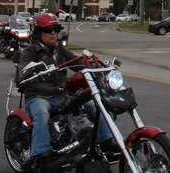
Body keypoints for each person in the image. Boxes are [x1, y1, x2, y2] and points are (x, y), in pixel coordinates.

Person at [17, 13, 118, 171]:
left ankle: (107, 141)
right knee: (42, 113)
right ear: (38, 32)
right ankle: (41, 155)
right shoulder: (30, 52)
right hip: (39, 96)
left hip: (61, 94)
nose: (53, 33)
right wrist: (29, 72)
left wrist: (94, 66)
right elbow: (21, 75)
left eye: (56, 29)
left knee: (93, 104)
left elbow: (77, 63)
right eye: (49, 30)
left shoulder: (60, 50)